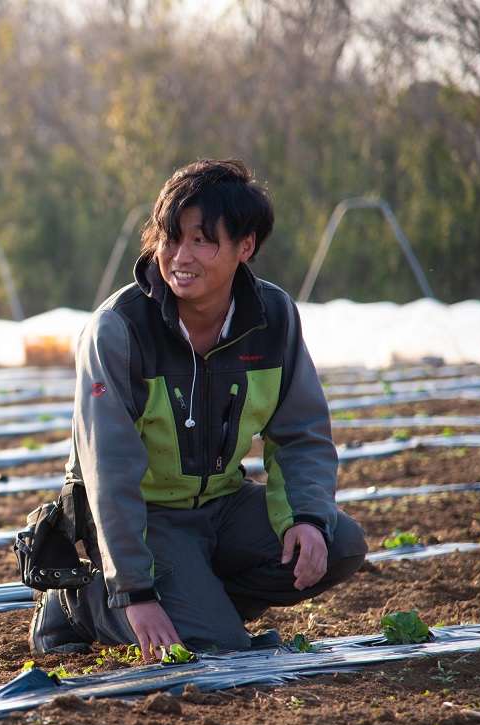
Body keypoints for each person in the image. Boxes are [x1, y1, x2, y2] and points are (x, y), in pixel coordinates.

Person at [29, 157, 368, 658]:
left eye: (202, 240)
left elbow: (301, 434)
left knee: (339, 544)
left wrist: (307, 519)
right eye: (171, 238)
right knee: (214, 645)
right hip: (147, 517)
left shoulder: (272, 318)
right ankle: (85, 602)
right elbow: (110, 472)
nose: (180, 256)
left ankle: (198, 601)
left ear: (245, 246)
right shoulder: (119, 331)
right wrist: (135, 592)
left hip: (221, 507)